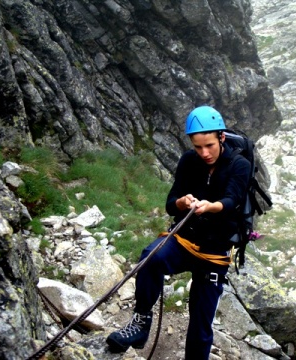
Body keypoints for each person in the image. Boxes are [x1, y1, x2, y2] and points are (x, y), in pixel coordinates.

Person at [106, 105, 251, 359]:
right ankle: (140, 324)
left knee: (201, 317)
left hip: (215, 251)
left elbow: (232, 200)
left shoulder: (239, 165)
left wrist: (211, 206)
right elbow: (170, 202)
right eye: (198, 147)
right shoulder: (188, 161)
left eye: (209, 146)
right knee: (151, 257)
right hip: (186, 238)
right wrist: (182, 203)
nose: (204, 153)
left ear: (222, 137)